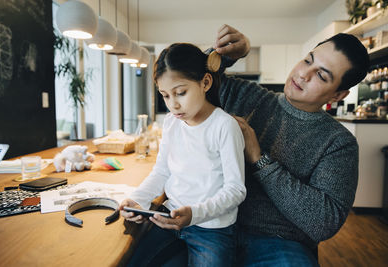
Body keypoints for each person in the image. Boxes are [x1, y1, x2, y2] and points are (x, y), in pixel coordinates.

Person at [209, 25, 369, 266]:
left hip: (278, 241)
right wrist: (225, 55)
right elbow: (184, 78)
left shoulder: (339, 143)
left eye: (321, 75)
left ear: (337, 96)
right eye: (307, 61)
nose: (304, 74)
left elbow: (324, 222)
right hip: (211, 224)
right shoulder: (245, 94)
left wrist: (259, 159)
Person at [120, 43, 246, 267]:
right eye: (165, 96)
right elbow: (161, 171)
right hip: (169, 219)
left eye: (180, 93)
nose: (173, 105)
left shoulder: (224, 126)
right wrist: (137, 199)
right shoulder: (171, 123)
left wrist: (194, 214)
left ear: (205, 82)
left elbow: (236, 190)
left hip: (212, 229)